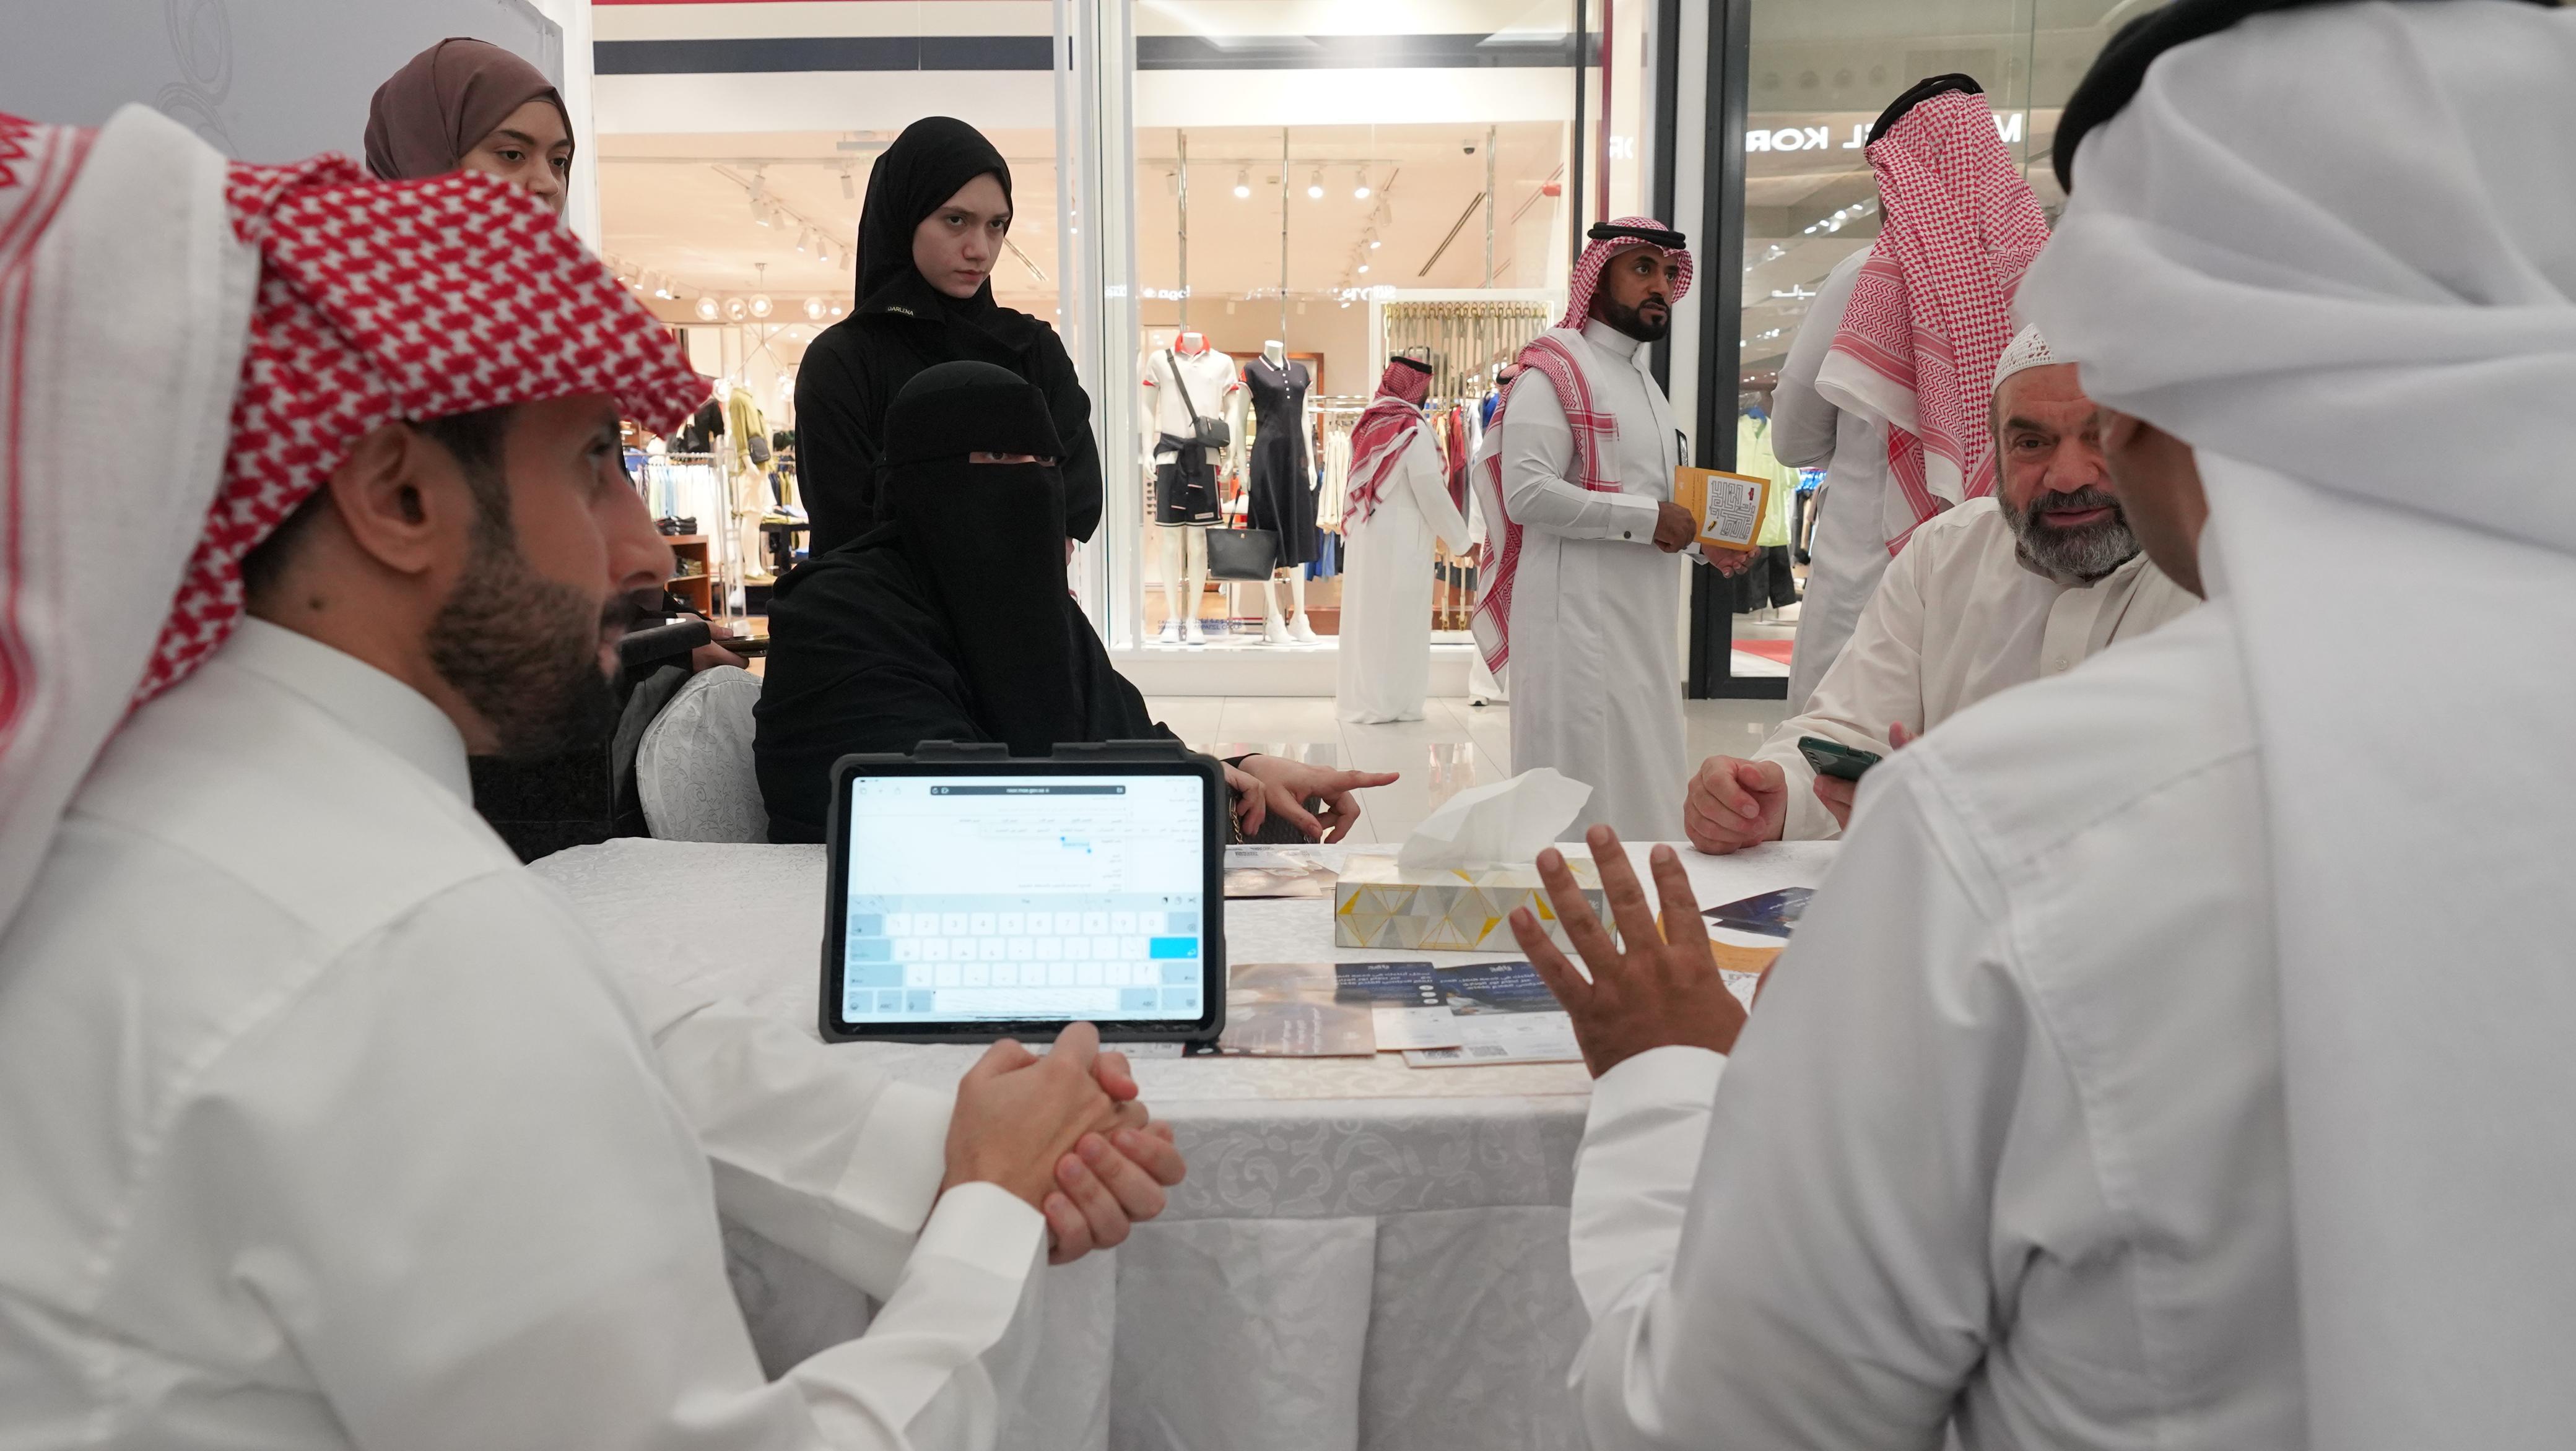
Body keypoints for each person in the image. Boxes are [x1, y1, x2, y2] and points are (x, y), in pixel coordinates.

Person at [0, 110, 1178, 1447]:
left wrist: (945, 1143)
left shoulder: (199, 797)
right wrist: (986, 1218)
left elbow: (616, 1040)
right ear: (398, 499)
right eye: (591, 465)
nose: (644, 550)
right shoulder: (402, 940)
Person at [1511, 2, 2576, 1447]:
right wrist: (1784, 784)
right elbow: (1837, 729)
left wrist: (1660, 1078)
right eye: (2030, 436)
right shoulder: (1963, 613)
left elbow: (1719, 1416)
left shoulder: (2013, 830)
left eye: (2105, 406)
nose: (2079, 462)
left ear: (2148, 382)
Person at [757, 361, 1393, 844]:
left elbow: (1117, 747)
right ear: (921, 474)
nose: (1032, 484)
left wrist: (1242, 773)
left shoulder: (1039, 613)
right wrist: (1194, 790)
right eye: (999, 456)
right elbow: (944, 818)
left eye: (1045, 461)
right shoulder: (839, 615)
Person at [1682, 326, 2196, 853]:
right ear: (1997, 453)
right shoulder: (1946, 551)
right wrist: (1777, 798)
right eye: (2031, 444)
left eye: (2103, 436)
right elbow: (1849, 729)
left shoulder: (2221, 574)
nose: (2066, 477)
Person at [1780, 76, 2052, 712]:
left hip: (1865, 588)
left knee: (1840, 754)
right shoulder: (2046, 282)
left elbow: (1793, 440)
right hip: (2007, 586)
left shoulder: (1865, 280)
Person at [1477, 219, 1733, 840]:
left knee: (1645, 775)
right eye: (1641, 269)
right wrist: (1649, 519)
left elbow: (1653, 499)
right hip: (1574, 627)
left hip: (1640, 622)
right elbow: (1528, 493)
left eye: (1668, 273)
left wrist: (1706, 544)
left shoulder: (1643, 382)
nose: (1660, 286)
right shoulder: (1552, 373)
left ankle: (1641, 893)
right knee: (1578, 792)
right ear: (1596, 279)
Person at [795, 117, 1102, 553]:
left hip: (1019, 596)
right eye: (956, 220)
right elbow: (847, 526)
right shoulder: (844, 362)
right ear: (904, 217)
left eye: (996, 225)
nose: (980, 250)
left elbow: (1074, 503)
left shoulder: (1032, 350)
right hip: (883, 599)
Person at [1336, 355, 1470, 723]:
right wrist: (1462, 542)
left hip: (1368, 538)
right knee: (1397, 622)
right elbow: (1430, 490)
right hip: (1400, 543)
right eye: (1423, 389)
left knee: (1369, 620)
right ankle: (1390, 704)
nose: (1425, 396)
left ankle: (1365, 700)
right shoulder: (1411, 428)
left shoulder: (1371, 422)